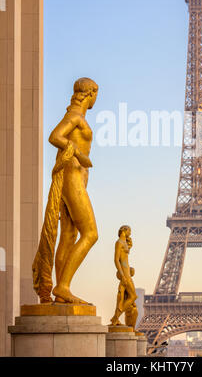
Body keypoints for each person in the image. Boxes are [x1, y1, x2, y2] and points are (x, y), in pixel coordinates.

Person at [32, 77, 99, 304]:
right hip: (73, 179)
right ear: (90, 93)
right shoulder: (76, 117)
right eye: (95, 93)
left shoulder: (77, 116)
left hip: (75, 179)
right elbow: (55, 136)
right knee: (91, 234)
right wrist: (79, 155)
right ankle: (63, 286)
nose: (96, 99)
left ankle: (62, 293)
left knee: (69, 236)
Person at [111, 226, 138, 327]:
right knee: (133, 296)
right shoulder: (119, 242)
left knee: (122, 298)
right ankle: (115, 317)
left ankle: (116, 318)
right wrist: (122, 275)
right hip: (125, 274)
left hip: (127, 272)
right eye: (129, 230)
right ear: (124, 230)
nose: (130, 232)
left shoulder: (124, 243)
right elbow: (116, 259)